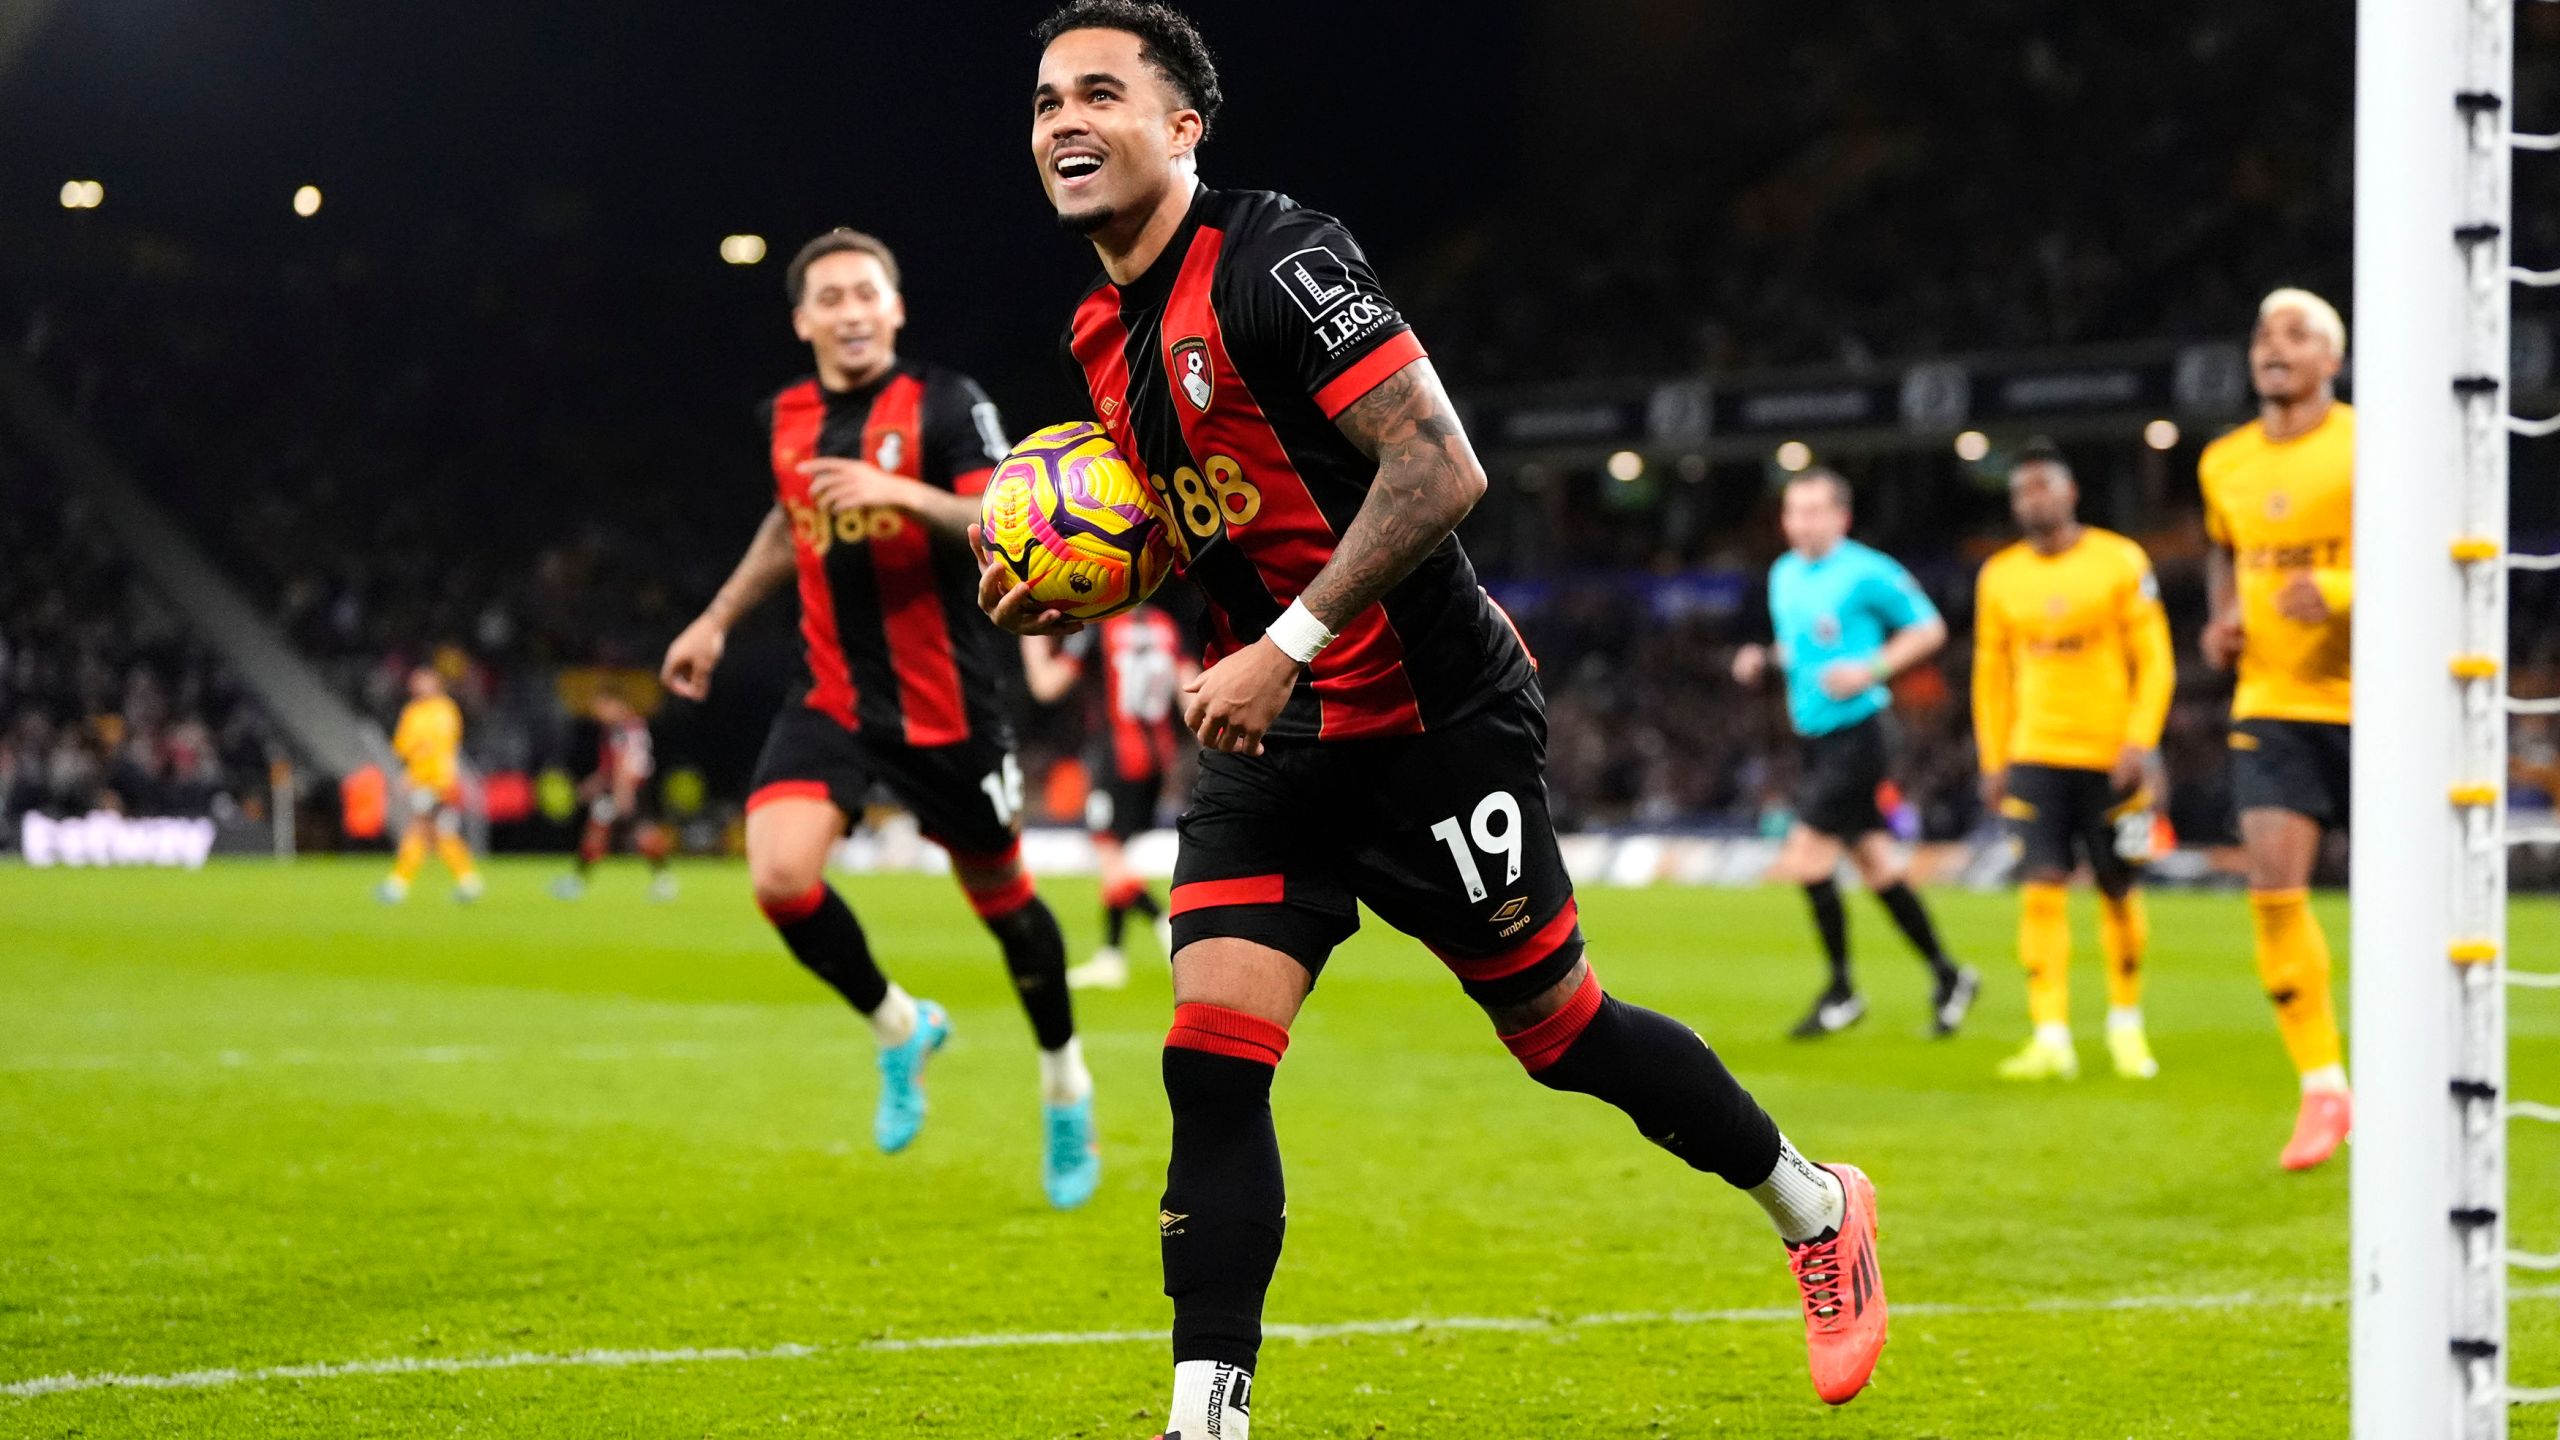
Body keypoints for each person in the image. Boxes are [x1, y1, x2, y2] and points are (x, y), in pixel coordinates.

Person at [984, 7, 1889, 1433]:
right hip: (1271, 752)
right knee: (1208, 1061)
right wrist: (1089, 589)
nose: (1064, 123)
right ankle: (1202, 1415)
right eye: (1046, 102)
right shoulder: (1099, 332)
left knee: (1561, 1032)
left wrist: (1286, 642)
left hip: (1430, 724)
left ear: (1183, 127)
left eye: (1103, 93)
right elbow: (1204, 519)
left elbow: (1440, 467)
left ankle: (1816, 1203)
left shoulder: (1280, 258)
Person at [659, 228, 1099, 1209]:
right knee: (777, 877)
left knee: (1007, 911)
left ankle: (1064, 1080)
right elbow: (789, 519)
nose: (852, 311)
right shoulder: (786, 415)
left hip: (946, 703)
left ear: (895, 308)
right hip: (831, 698)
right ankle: (901, 1026)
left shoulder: (949, 402)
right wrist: (718, 618)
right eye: (832, 297)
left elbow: (1003, 519)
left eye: (868, 293)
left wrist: (896, 490)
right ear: (803, 320)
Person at [1731, 471, 1978, 1039]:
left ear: (1841, 517)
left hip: (1861, 734)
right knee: (1875, 865)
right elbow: (1801, 649)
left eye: (1815, 511)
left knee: (1806, 857)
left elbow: (1929, 629)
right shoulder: (1784, 574)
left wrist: (1871, 669)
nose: (1802, 522)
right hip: (1815, 740)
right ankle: (1949, 975)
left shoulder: (1867, 572)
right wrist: (1764, 660)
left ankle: (1842, 992)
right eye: (1793, 511)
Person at [2198, 287, 2355, 1171]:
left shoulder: (2371, 443)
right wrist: (2223, 616)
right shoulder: (2224, 462)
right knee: (2274, 888)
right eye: (2263, 333)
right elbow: (2226, 547)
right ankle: (2324, 1086)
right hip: (2273, 699)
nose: (2274, 346)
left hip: (2384, 700)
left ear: (2331, 359)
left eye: (2296, 334)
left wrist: (2341, 593)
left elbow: (2438, 543)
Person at [1972, 443, 2174, 1082]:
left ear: (2069, 493)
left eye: (2041, 488)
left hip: (2111, 756)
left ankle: (2125, 1026)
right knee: (2040, 891)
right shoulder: (1999, 575)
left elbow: (2157, 659)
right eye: (2020, 492)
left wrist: (2140, 740)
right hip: (2034, 755)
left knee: (2119, 890)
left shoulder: (2120, 561)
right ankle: (2050, 1035)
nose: (2031, 500)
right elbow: (1990, 673)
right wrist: (1993, 755)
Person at [1021, 604, 1193, 989]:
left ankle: (1163, 924)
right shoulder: (1165, 624)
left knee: (1107, 855)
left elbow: (1047, 687)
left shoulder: (1101, 629)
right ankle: (1111, 956)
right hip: (1157, 759)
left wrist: (1031, 645)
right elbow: (1189, 690)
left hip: (1115, 757)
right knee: (1116, 856)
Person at [553, 692, 677, 903]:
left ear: (616, 703)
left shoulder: (621, 729)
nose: (598, 714)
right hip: (634, 787)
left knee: (637, 834)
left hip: (628, 789)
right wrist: (591, 786)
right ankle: (663, 880)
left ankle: (663, 880)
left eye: (602, 707)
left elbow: (622, 764)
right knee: (606, 829)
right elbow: (611, 768)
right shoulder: (635, 725)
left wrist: (622, 793)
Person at [376, 666, 483, 904]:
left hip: (437, 782)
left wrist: (414, 777)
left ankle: (397, 885)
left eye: (423, 681)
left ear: (436, 684)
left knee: (419, 829)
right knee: (439, 833)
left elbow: (438, 748)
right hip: (422, 781)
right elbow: (404, 747)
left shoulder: (444, 710)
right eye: (415, 682)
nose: (418, 686)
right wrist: (409, 773)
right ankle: (468, 881)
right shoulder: (413, 711)